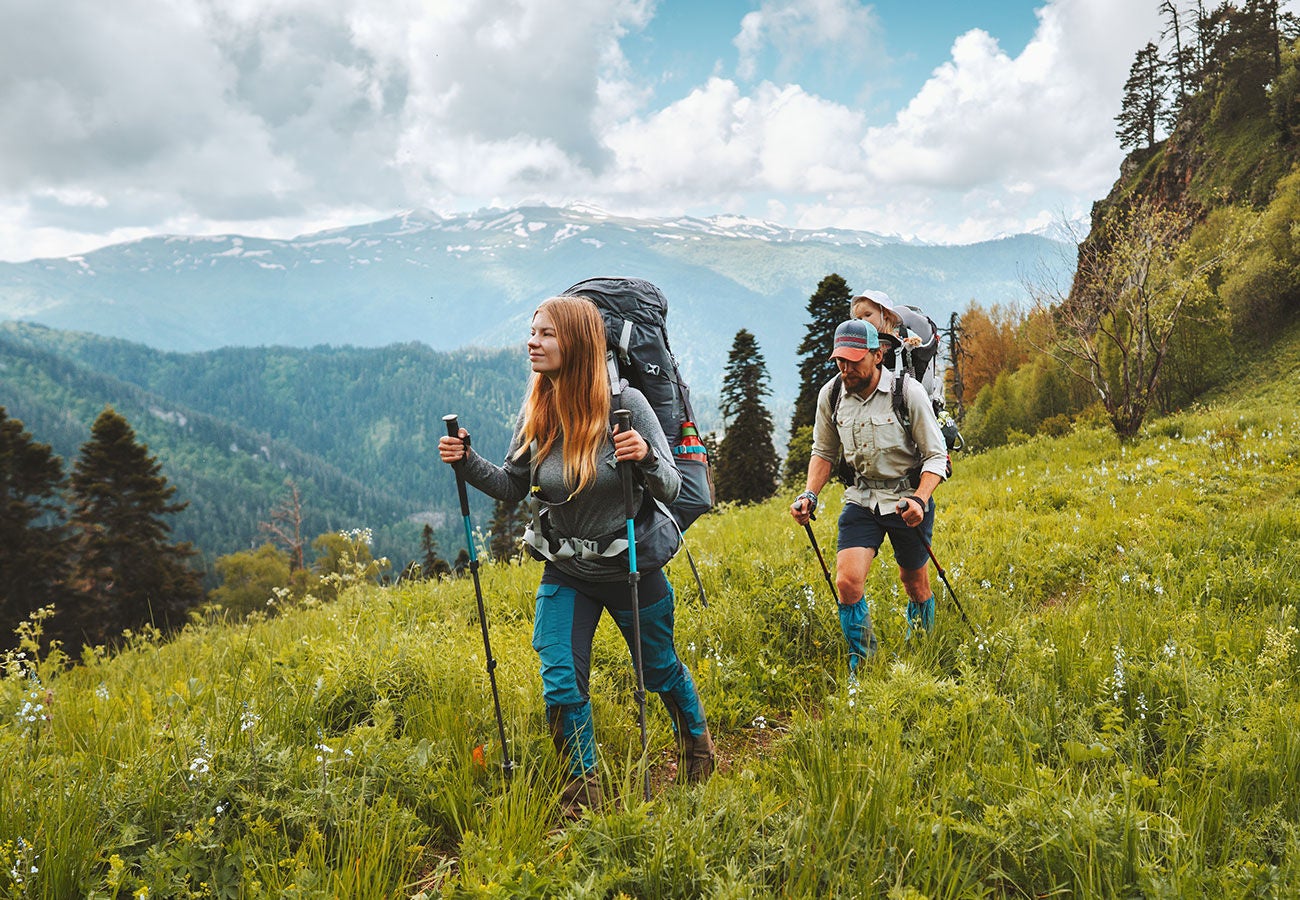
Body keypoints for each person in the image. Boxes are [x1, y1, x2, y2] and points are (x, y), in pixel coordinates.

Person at [438, 295, 715, 817]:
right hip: (565, 570)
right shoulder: (539, 408)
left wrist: (647, 457)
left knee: (657, 671)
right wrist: (467, 460)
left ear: (578, 343)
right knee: (562, 679)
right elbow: (511, 485)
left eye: (545, 333)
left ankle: (697, 751)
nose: (531, 341)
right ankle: (581, 797)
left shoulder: (626, 404)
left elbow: (673, 486)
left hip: (631, 568)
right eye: (532, 330)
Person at [789, 319, 949, 671]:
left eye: (853, 361)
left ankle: (923, 650)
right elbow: (823, 452)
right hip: (861, 498)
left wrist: (920, 500)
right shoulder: (831, 396)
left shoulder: (906, 393)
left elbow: (937, 457)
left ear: (878, 355)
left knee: (915, 582)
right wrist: (809, 495)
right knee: (847, 581)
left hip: (908, 499)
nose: (845, 369)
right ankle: (863, 663)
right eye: (839, 361)